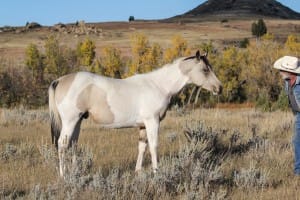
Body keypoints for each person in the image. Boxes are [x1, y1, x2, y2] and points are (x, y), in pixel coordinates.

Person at [274, 56, 300, 175]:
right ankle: (298, 171)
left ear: (290, 72)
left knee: (297, 141)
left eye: (282, 70)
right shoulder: (287, 82)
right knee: (296, 141)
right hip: (298, 115)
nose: (280, 72)